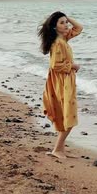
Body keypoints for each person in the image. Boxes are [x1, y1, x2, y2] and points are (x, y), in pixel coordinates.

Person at [38, 11, 83, 159]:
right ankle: (57, 149)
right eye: (62, 23)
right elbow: (55, 65)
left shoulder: (63, 38)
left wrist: (65, 16)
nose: (66, 25)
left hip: (65, 80)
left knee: (65, 114)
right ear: (54, 27)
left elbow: (79, 28)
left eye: (66, 22)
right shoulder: (58, 43)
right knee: (69, 116)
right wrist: (73, 66)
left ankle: (60, 149)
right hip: (62, 82)